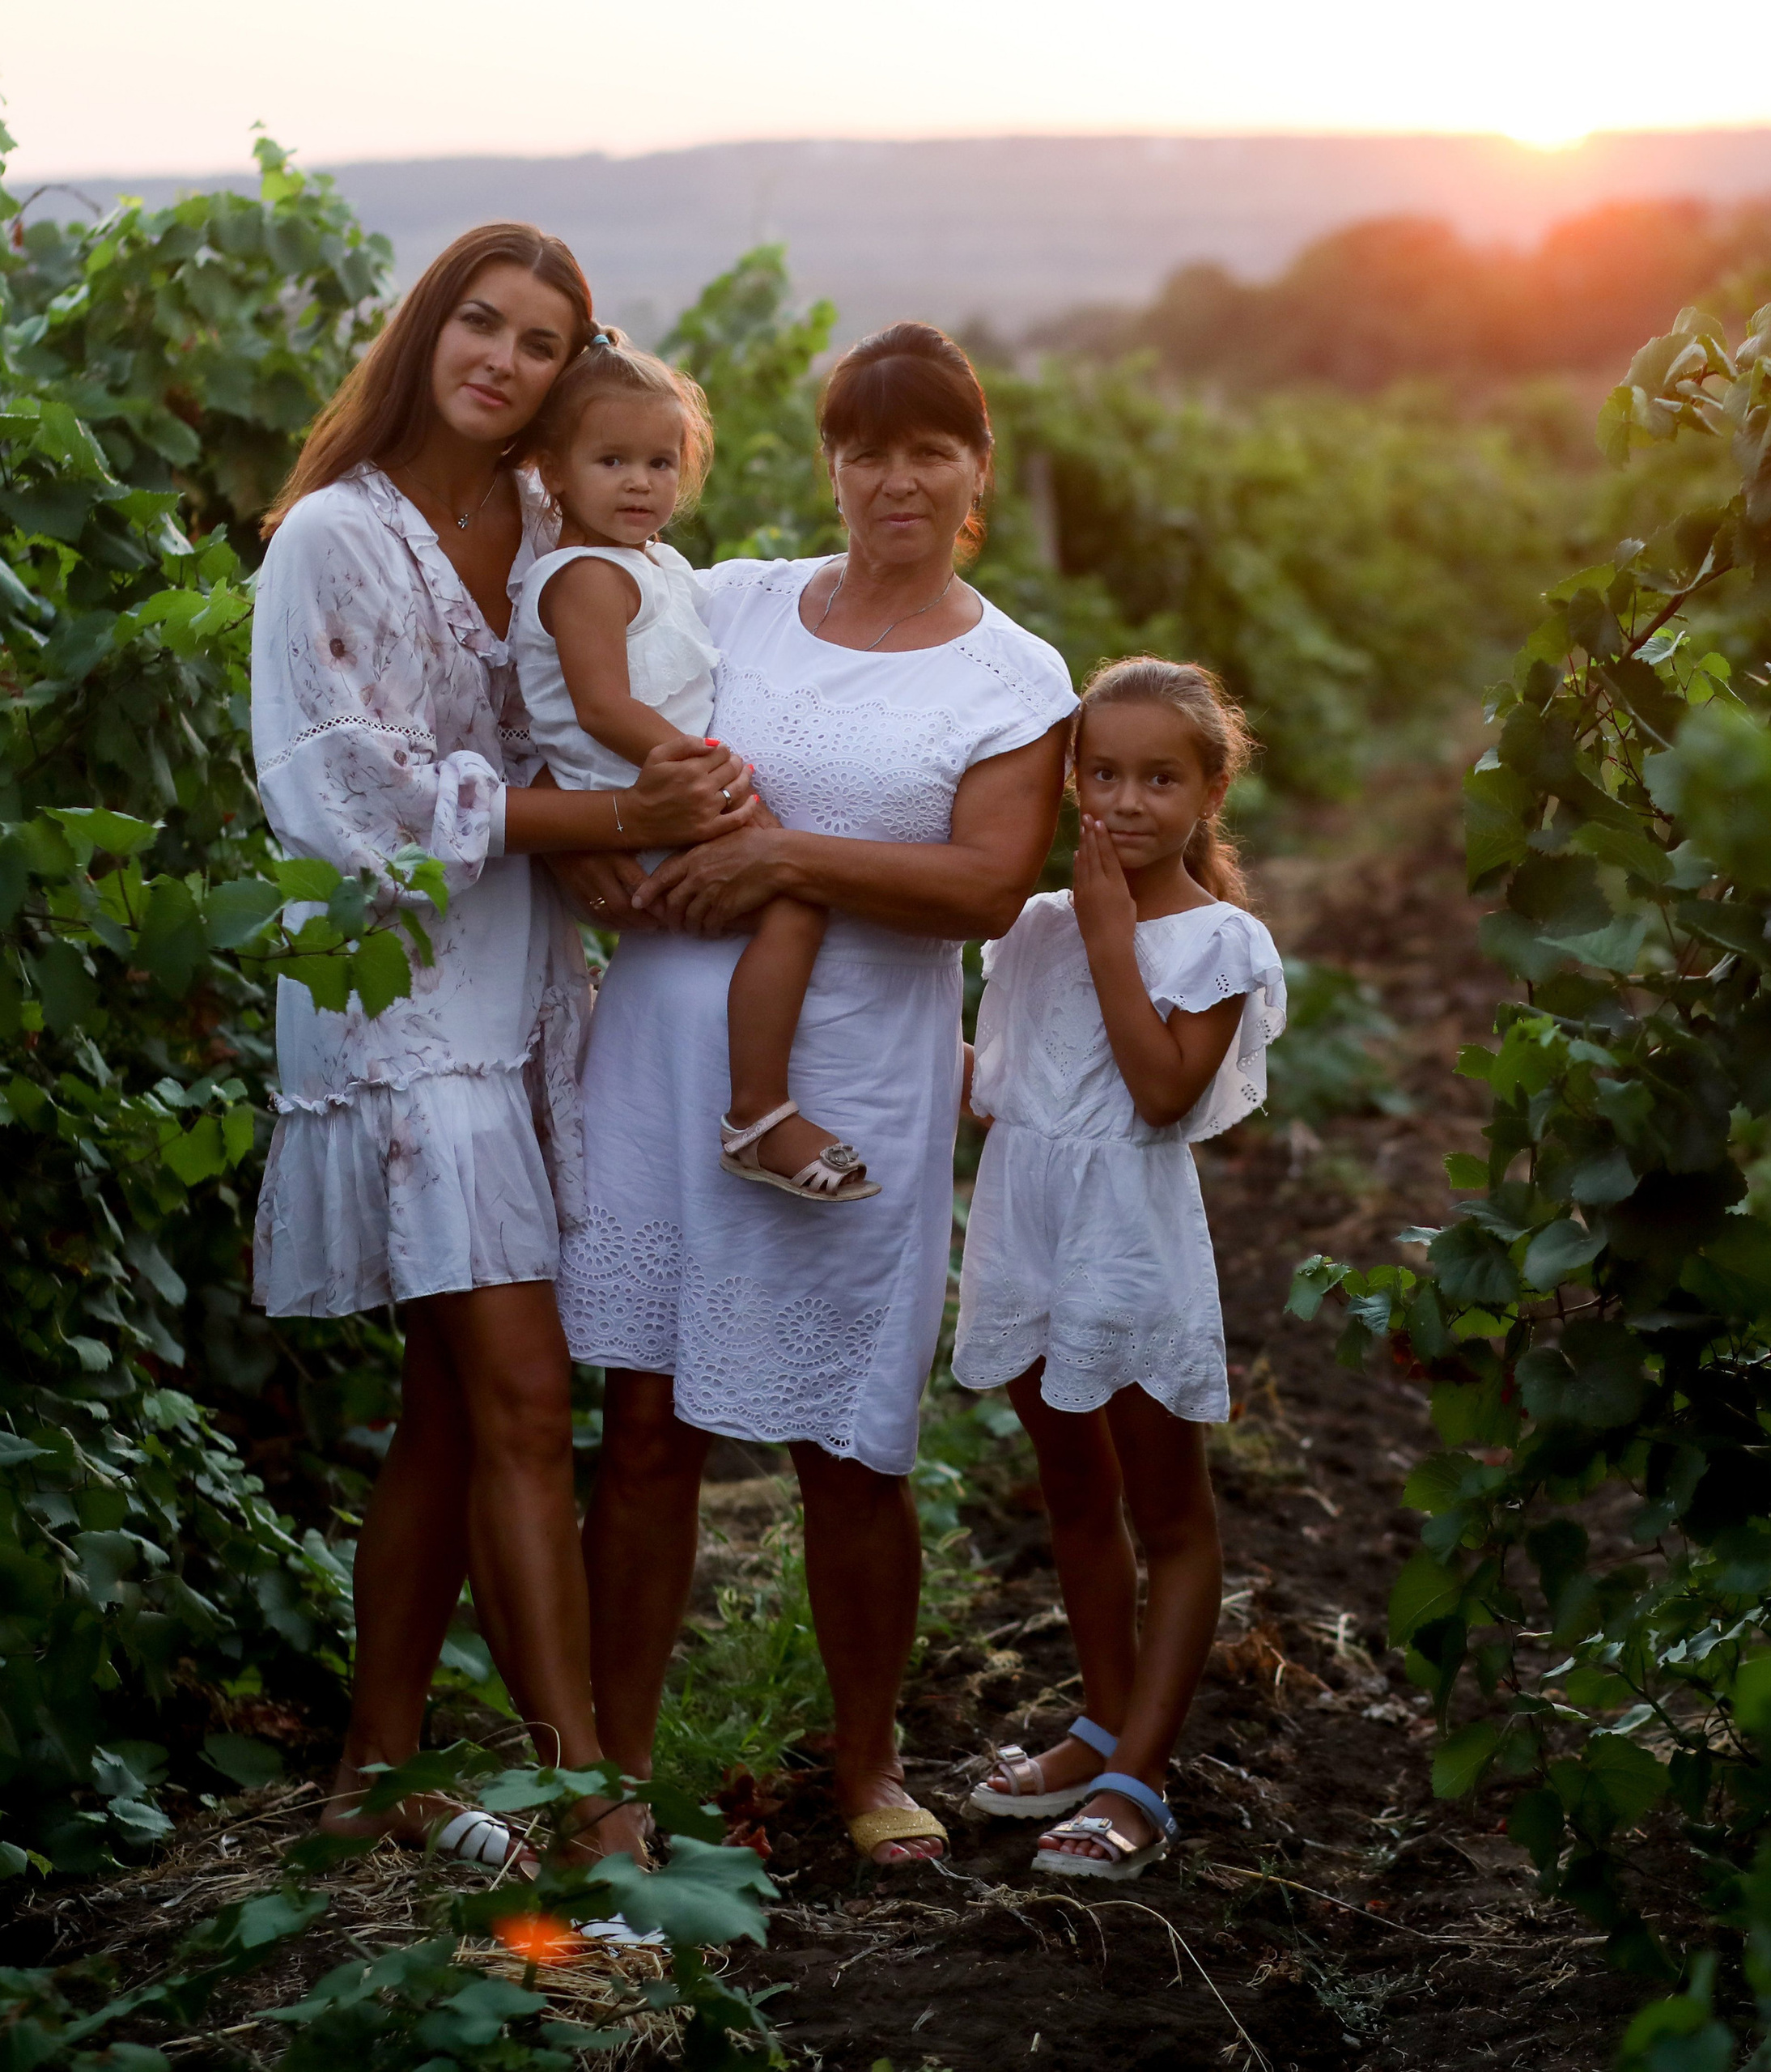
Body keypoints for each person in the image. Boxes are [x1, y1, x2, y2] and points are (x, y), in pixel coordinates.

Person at [251, 223, 752, 1882]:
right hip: (401, 1003)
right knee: (529, 1398)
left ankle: (371, 1770)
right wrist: (600, 813)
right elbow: (354, 802)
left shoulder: (546, 517)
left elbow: (555, 713)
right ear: (426, 329)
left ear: (567, 380)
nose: (503, 358)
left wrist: (596, 841)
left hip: (524, 989)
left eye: (542, 343)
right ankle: (585, 1802)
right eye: (481, 321)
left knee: (449, 1413)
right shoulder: (330, 536)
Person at [556, 323, 1077, 1866]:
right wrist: (586, 841)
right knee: (642, 1428)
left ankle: (865, 1767)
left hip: (856, 1082)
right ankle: (619, 1783)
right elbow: (594, 714)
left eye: (930, 447)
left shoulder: (1013, 672)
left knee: (851, 1450)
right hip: (663, 1055)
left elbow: (987, 886)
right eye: (867, 447)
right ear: (830, 464)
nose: (895, 477)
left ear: (976, 468)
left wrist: (782, 856)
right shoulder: (737, 602)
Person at [951, 657, 1286, 1880]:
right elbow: (999, 1093)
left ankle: (1141, 1778)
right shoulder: (1033, 925)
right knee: (1074, 1495)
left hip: (1128, 1248)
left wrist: (1107, 931)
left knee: (1171, 1513)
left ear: (1210, 789)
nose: (1128, 801)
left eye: (1160, 778)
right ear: (1071, 779)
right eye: (1103, 773)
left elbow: (1156, 1090)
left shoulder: (1218, 940)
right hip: (1030, 1230)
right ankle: (1099, 1727)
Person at [512, 330, 876, 1204]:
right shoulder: (584, 577)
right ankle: (756, 1111)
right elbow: (601, 706)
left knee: (795, 894)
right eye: (612, 461)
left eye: (661, 462)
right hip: (634, 807)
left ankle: (773, 1096)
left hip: (658, 792)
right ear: (553, 472)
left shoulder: (655, 563)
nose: (642, 483)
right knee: (796, 897)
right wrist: (704, 771)